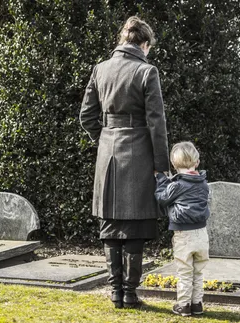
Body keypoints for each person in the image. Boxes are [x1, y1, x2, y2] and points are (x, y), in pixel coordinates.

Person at [80, 16, 169, 309]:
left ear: (123, 40)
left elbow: (86, 117)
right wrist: (162, 165)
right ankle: (130, 294)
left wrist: (105, 137)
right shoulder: (147, 71)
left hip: (108, 152)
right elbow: (157, 123)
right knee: (134, 225)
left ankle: (116, 292)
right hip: (140, 152)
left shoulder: (100, 69)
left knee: (111, 222)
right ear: (144, 44)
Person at [154, 141, 210, 316]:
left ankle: (184, 305)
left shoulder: (177, 185)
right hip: (202, 233)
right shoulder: (203, 183)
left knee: (185, 271)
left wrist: (161, 180)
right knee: (198, 271)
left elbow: (162, 198)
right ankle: (197, 304)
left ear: (174, 164)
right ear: (197, 162)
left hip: (183, 234)